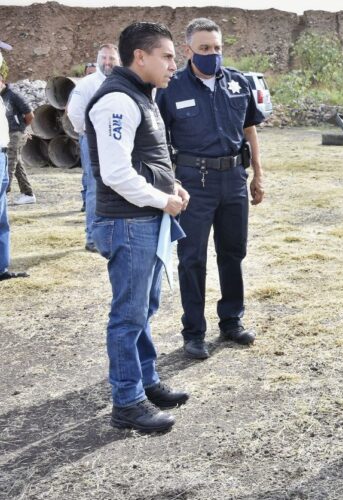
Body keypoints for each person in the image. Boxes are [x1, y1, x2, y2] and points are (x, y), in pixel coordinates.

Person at [86, 22, 190, 432]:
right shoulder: (117, 101)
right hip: (128, 222)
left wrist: (172, 186)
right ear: (140, 57)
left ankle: (145, 381)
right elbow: (115, 172)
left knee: (145, 309)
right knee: (128, 316)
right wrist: (163, 198)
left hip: (145, 219)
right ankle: (127, 401)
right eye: (166, 56)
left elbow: (148, 158)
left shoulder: (141, 96)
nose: (173, 66)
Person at [157, 17, 265, 360]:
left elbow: (250, 130)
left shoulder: (237, 83)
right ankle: (194, 332)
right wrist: (169, 183)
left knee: (233, 252)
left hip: (233, 178)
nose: (212, 54)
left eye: (217, 48)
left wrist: (258, 175)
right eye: (204, 48)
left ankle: (231, 321)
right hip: (193, 183)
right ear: (189, 49)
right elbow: (158, 142)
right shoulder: (171, 89)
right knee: (192, 258)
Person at [67, 43, 120, 252]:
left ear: (119, 61)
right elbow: (74, 112)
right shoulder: (87, 84)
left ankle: (110, 234)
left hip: (115, 141)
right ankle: (92, 238)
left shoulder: (122, 80)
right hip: (94, 141)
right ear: (98, 59)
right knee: (94, 187)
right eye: (103, 58)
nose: (107, 63)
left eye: (111, 59)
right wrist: (87, 132)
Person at [0, 48, 29, 281]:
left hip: (7, 144)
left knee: (2, 217)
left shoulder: (8, 94)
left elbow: (29, 114)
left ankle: (1, 267)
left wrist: (22, 130)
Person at [0, 61, 35, 205]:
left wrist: (21, 129)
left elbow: (30, 114)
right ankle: (28, 194)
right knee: (17, 163)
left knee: (9, 164)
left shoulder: (13, 94)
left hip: (15, 133)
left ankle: (3, 194)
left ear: (2, 80)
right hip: (4, 134)